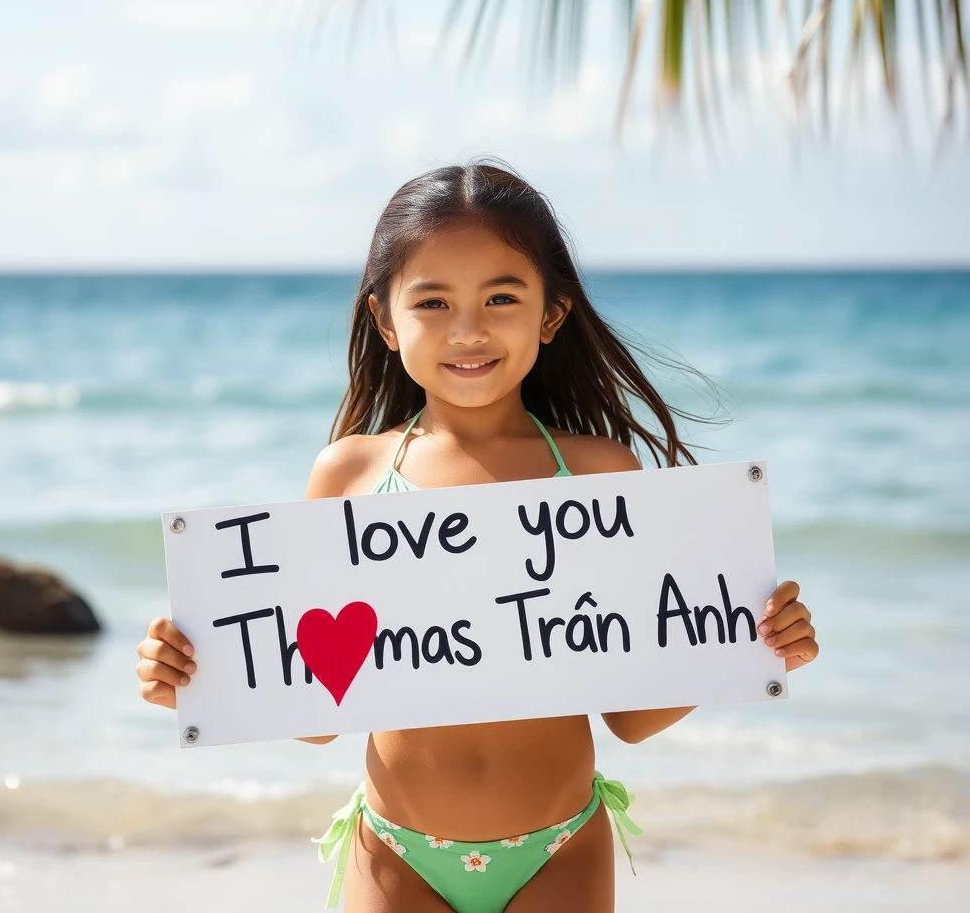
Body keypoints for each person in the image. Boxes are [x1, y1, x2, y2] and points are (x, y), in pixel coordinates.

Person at [135, 160, 819, 913]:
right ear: (386, 321)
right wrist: (205, 675)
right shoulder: (349, 474)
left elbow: (630, 717)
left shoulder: (599, 475)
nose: (469, 329)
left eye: (502, 296)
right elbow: (316, 714)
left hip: (561, 845)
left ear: (550, 315)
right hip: (397, 851)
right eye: (433, 301)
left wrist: (746, 644)